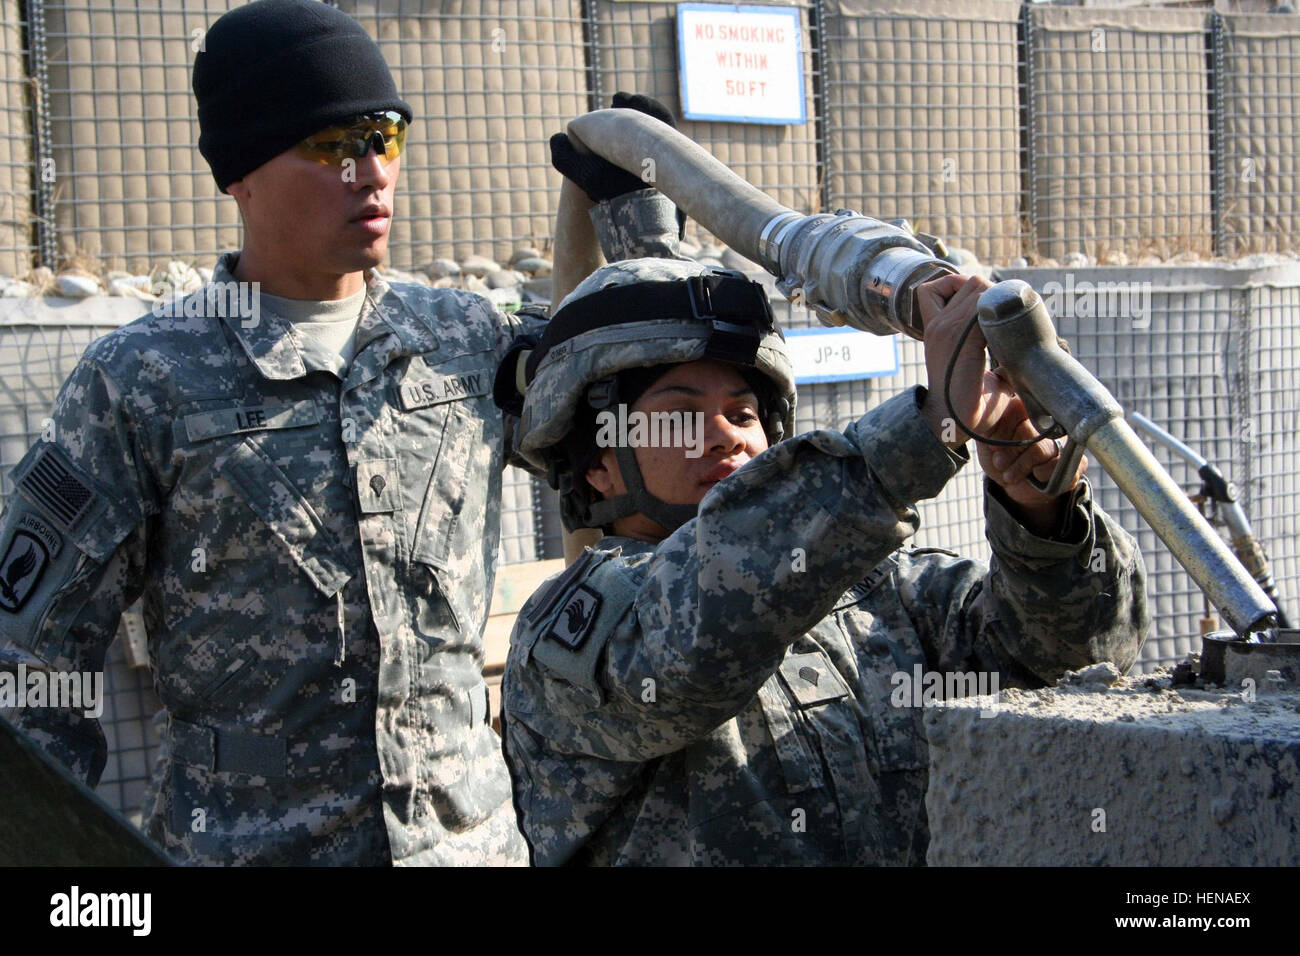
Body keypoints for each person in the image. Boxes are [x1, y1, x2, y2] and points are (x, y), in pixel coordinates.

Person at [0, 0, 660, 866]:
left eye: (384, 136)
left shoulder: (467, 343)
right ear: (239, 174)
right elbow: (30, 663)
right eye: (329, 145)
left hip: (467, 847)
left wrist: (642, 225)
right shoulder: (142, 381)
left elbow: (645, 420)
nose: (370, 171)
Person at [495, 241, 1150, 865]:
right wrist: (921, 436)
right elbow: (695, 638)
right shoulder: (572, 632)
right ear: (598, 461)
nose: (727, 437)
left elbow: (1072, 659)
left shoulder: (875, 590)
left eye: (745, 413)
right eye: (683, 413)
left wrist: (1038, 506)